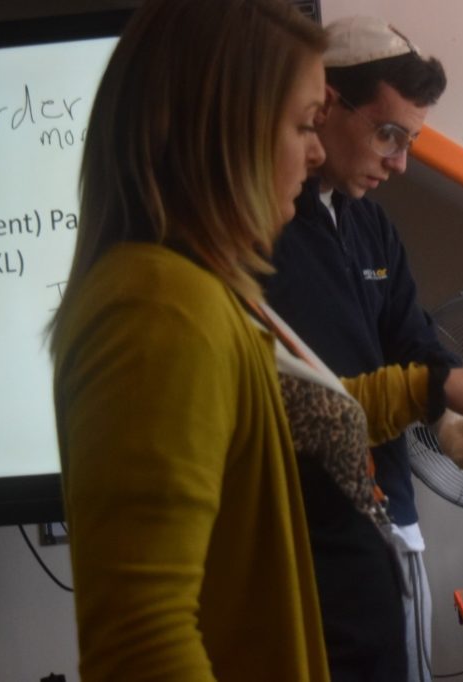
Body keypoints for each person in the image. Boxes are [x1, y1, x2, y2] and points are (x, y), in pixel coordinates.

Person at [48, 0, 332, 679]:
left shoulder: (191, 294)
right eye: (303, 124)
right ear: (224, 132)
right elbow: (143, 645)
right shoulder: (161, 308)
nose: (316, 152)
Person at [265, 15, 463, 682]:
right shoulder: (262, 227)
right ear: (324, 105)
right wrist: (436, 391)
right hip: (297, 536)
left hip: (387, 519)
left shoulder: (370, 224)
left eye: (409, 142)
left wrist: (454, 417)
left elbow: (414, 347)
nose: (399, 162)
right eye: (387, 135)